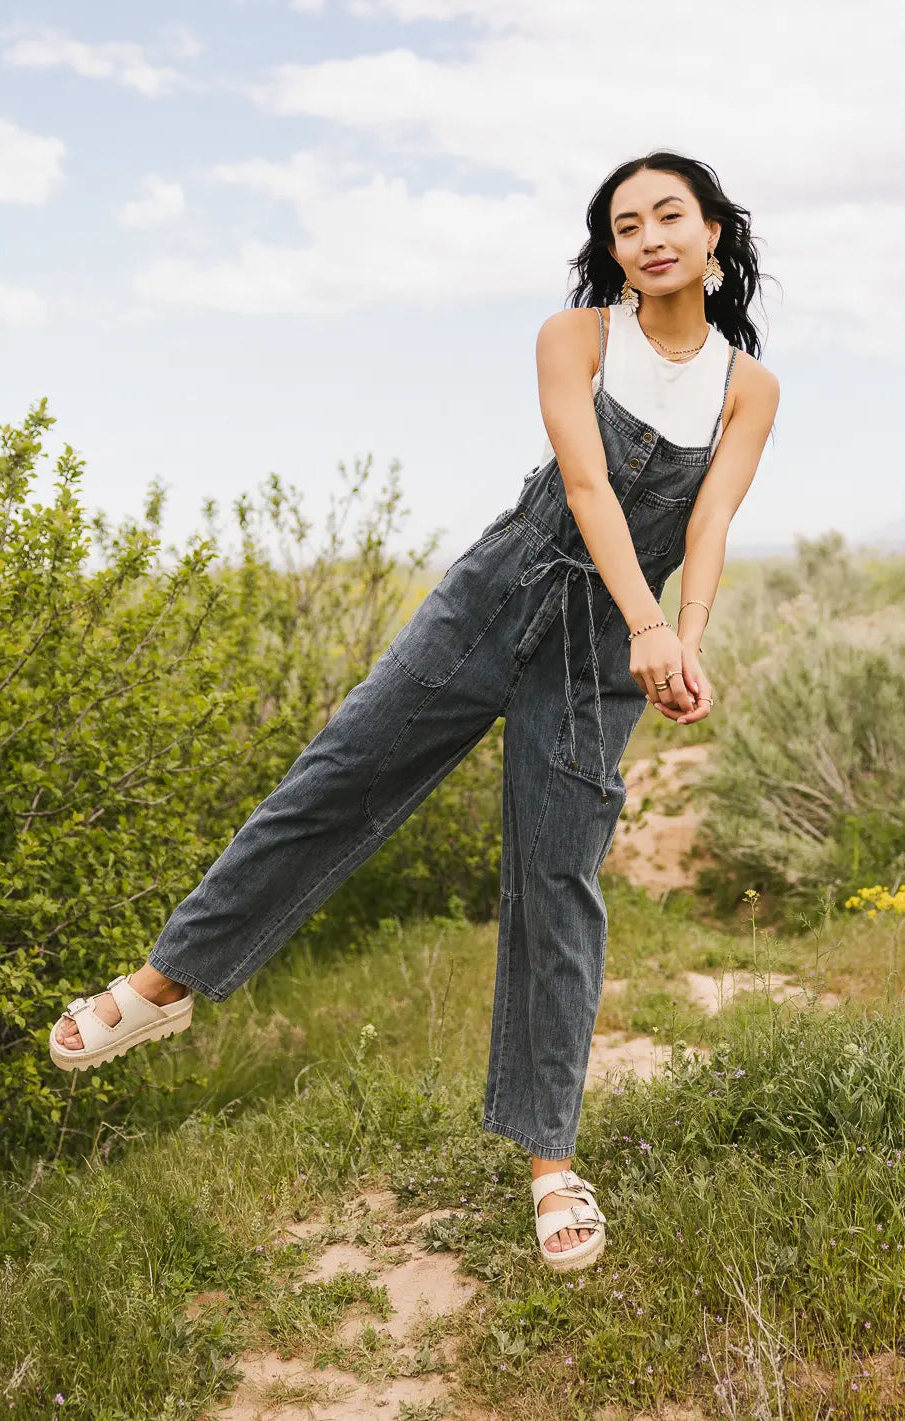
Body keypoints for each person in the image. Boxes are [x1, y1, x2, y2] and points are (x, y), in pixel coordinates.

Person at [49, 150, 779, 1272]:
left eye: (669, 215)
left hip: (600, 651)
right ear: (613, 249)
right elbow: (585, 489)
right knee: (340, 774)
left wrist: (685, 634)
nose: (648, 237)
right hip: (501, 596)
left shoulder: (748, 385)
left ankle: (550, 1160)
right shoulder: (575, 336)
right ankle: (164, 983)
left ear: (715, 231)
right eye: (625, 223)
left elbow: (713, 521)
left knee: (556, 879)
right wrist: (652, 622)